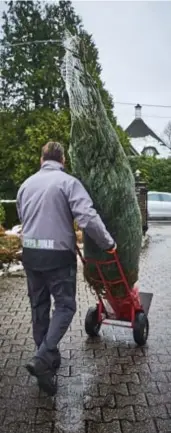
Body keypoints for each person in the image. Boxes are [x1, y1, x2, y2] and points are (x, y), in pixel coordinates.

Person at [16, 141, 116, 396]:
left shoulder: (26, 185)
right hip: (58, 257)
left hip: (30, 253)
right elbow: (88, 218)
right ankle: (43, 358)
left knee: (38, 306)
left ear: (41, 160)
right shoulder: (68, 182)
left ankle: (45, 362)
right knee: (65, 306)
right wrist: (108, 243)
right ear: (63, 160)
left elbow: (23, 217)